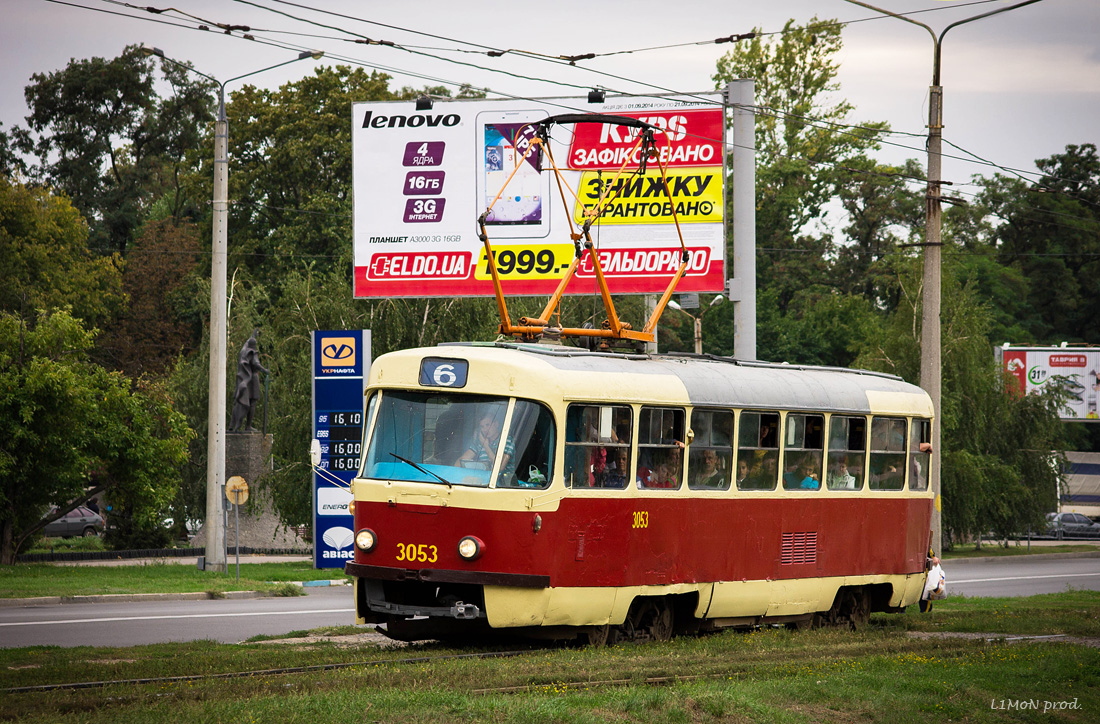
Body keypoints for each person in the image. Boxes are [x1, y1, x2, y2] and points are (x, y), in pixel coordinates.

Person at [229, 329, 269, 432]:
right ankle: (248, 426)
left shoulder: (243, 351)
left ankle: (234, 425)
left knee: (241, 402)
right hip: (253, 379)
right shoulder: (252, 352)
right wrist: (265, 370)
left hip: (244, 379)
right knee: (252, 402)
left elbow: (248, 341)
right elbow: (256, 363)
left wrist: (253, 335)